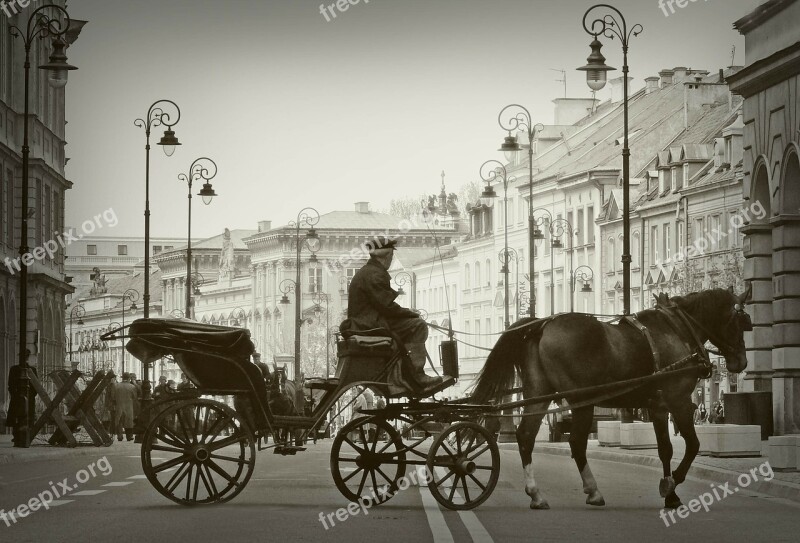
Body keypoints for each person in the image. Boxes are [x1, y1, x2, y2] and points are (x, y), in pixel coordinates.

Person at [339, 236, 453, 396]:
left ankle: (405, 373)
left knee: (411, 323)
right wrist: (410, 313)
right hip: (370, 325)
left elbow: (383, 306)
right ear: (386, 256)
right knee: (418, 325)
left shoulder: (367, 272)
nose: (391, 260)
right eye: (391, 256)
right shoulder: (375, 274)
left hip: (365, 323)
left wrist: (406, 313)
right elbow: (387, 307)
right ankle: (417, 376)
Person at [113, 373, 139, 441]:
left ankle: (120, 436)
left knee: (119, 421)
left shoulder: (116, 386)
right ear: (129, 378)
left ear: (122, 378)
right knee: (129, 422)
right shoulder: (132, 387)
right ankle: (129, 436)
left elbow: (113, 397)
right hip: (129, 406)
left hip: (119, 406)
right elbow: (135, 397)